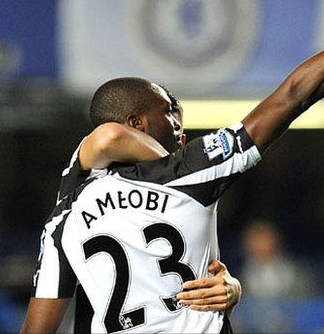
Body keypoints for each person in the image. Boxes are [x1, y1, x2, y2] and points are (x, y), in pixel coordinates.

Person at [22, 0, 324, 332]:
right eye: (170, 112)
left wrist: (233, 290)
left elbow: (37, 329)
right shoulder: (193, 168)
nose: (181, 127)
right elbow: (296, 94)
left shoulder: (65, 212)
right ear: (138, 123)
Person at [49, 98, 243, 331]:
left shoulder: (177, 204)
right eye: (173, 124)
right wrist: (180, 167)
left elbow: (183, 291)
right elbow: (108, 136)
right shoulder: (83, 184)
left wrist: (230, 289)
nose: (181, 137)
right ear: (137, 125)